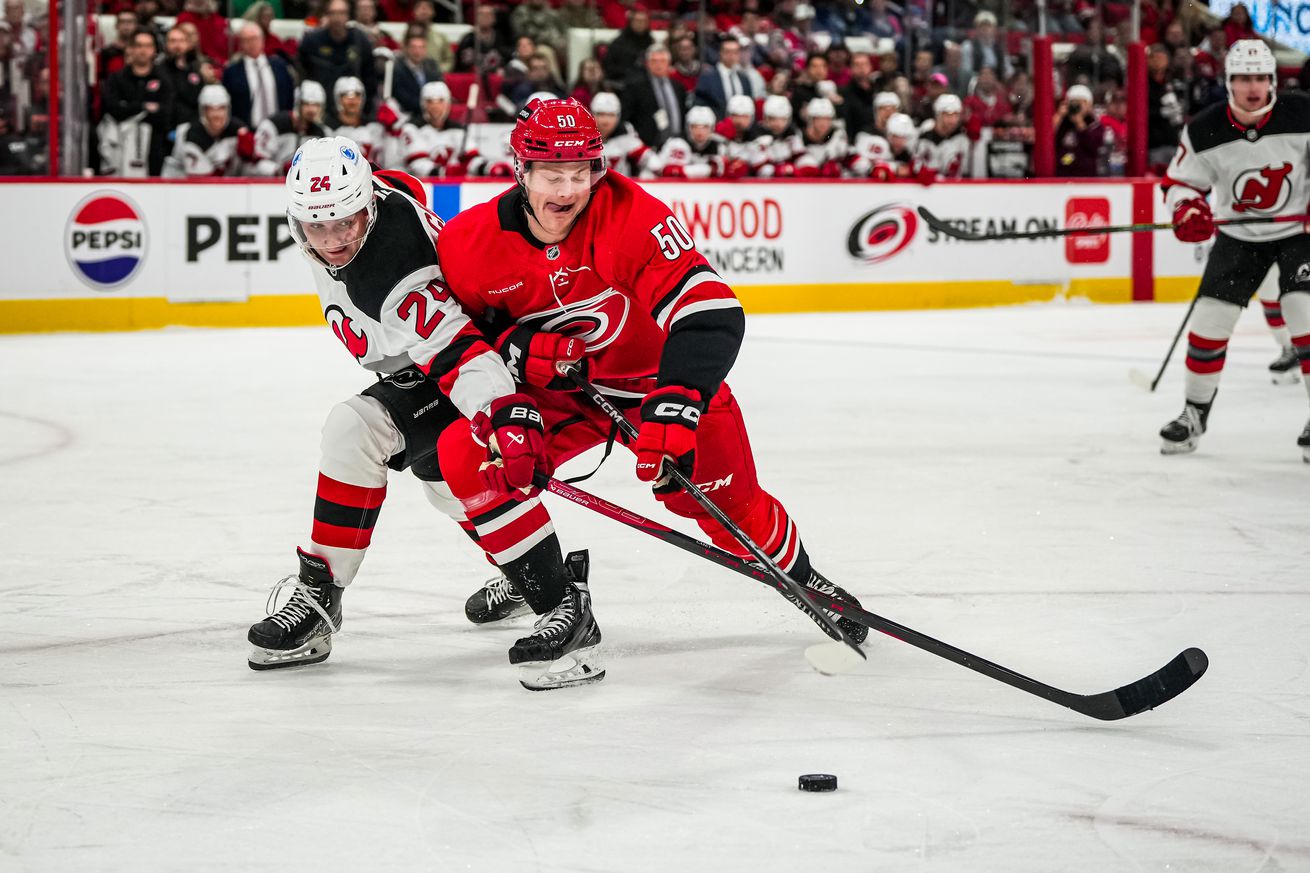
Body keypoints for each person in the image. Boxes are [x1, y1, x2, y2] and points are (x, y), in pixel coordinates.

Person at [434, 98, 869, 688]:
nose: (566, 191)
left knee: (723, 509)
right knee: (467, 453)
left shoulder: (632, 215)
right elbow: (464, 338)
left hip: (658, 387)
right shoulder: (468, 243)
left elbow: (711, 312)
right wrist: (514, 349)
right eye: (551, 175)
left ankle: (803, 575)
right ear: (521, 170)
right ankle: (548, 591)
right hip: (566, 397)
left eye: (580, 175)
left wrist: (679, 398)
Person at [247, 135, 542, 674]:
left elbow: (459, 352)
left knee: (354, 430)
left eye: (345, 223)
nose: (333, 240)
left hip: (458, 367)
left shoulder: (398, 274)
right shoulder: (369, 193)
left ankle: (317, 600)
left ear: (368, 206)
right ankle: (530, 576)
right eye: (318, 225)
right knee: (445, 488)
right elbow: (406, 184)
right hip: (422, 362)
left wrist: (501, 414)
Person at [1158, 40, 1310, 460]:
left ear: (1273, 80)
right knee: (1209, 323)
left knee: (1304, 312)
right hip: (1240, 237)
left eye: (1261, 77)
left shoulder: (1302, 112)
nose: (1253, 86)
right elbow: (1180, 182)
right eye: (1244, 77)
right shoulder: (1205, 128)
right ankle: (1194, 413)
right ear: (1229, 82)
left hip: (1298, 232)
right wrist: (1187, 208)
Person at [99, 27, 174, 176]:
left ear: (154, 50)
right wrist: (144, 107)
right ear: (131, 49)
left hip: (153, 145)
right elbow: (112, 109)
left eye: (147, 46)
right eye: (138, 45)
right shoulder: (117, 79)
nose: (143, 50)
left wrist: (128, 107)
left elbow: (165, 114)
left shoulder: (164, 80)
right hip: (120, 140)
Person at [298, 0, 378, 116]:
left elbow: (370, 78)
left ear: (348, 15)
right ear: (327, 14)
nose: (337, 18)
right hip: (320, 111)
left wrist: (366, 111)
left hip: (352, 111)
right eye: (333, 13)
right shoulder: (312, 41)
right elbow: (302, 75)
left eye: (341, 13)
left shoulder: (359, 40)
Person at [222, 22, 295, 128]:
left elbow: (289, 96)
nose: (252, 43)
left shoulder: (280, 66)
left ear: (262, 40)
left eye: (255, 38)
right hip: (247, 131)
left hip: (279, 129)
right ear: (241, 43)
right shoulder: (232, 72)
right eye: (247, 40)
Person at [249, 80, 328, 176]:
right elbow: (256, 164)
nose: (312, 110)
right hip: (272, 185)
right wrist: (279, 170)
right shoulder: (274, 125)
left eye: (316, 105)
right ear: (298, 103)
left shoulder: (321, 132)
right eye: (307, 104)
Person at [172, 83, 250, 176]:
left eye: (221, 108)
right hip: (189, 186)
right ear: (203, 111)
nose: (217, 115)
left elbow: (253, 170)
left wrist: (250, 156)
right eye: (211, 109)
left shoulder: (239, 130)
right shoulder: (192, 136)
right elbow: (199, 179)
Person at [401, 80, 472, 177]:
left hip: (454, 185)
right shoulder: (412, 128)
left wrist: (488, 167)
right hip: (422, 187)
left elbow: (472, 158)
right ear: (423, 104)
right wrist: (443, 172)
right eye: (430, 102)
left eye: (440, 101)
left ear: (448, 103)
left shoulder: (458, 130)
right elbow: (417, 164)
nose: (435, 107)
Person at [622, 44, 687, 148]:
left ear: (668, 63)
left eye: (662, 61)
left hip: (677, 143)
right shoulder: (636, 87)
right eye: (654, 61)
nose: (658, 65)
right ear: (647, 63)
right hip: (648, 145)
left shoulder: (678, 87)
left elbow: (683, 114)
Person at [591, 90, 657, 177]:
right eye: (601, 114)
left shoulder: (625, 136)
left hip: (620, 187)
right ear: (592, 114)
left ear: (618, 116)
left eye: (611, 115)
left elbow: (652, 161)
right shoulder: (581, 138)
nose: (606, 121)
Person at [693, 35, 751, 121]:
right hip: (716, 126)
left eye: (735, 52)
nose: (732, 56)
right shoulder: (707, 78)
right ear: (720, 52)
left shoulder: (744, 79)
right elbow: (701, 106)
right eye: (728, 52)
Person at [915, 92, 969, 179]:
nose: (953, 120)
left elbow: (962, 172)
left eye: (956, 115)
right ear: (939, 114)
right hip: (926, 188)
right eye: (948, 115)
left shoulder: (961, 138)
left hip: (952, 188)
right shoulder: (925, 133)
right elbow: (916, 164)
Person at [1054, 83, 1103, 177]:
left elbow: (1093, 147)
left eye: (1082, 102)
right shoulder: (1064, 123)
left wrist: (1079, 123)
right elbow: (1048, 139)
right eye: (1073, 102)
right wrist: (1059, 116)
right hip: (1062, 175)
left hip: (1086, 176)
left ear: (1089, 105)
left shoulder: (1095, 125)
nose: (1077, 106)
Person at [392, 32, 444, 115]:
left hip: (432, 112)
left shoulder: (432, 66)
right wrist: (426, 106)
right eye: (414, 47)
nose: (417, 51)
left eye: (421, 47)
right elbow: (401, 96)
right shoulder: (398, 69)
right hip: (408, 113)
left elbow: (439, 88)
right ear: (407, 49)